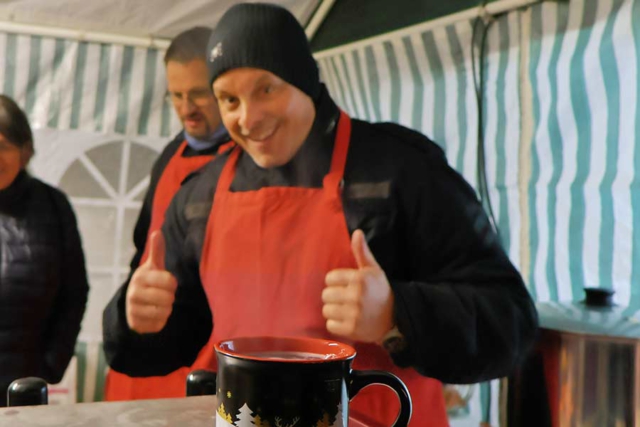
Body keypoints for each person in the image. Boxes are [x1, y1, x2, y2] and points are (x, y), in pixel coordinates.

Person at [103, 3, 538, 426]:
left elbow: (511, 323)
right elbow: (166, 345)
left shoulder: (398, 170)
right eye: (229, 99)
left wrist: (396, 314)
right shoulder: (198, 196)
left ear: (304, 80)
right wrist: (136, 318)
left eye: (266, 90)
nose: (247, 118)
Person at [102, 27, 231, 401]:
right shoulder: (169, 156)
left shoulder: (245, 163)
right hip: (148, 338)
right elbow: (142, 244)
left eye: (198, 94)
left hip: (201, 345)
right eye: (176, 95)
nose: (186, 108)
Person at [0, 95, 89, 407]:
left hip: (26, 383)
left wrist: (53, 365)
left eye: (2, 146)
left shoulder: (53, 206)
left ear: (25, 151)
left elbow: (74, 291)